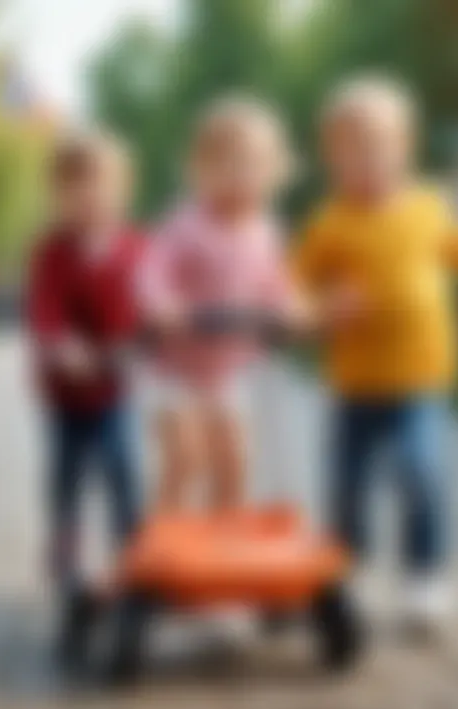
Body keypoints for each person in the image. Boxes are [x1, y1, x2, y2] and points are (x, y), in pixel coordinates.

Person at [294, 76, 458, 631]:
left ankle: (425, 575)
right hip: (355, 382)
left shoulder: (430, 207)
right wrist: (325, 306)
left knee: (420, 470)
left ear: (404, 149)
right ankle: (343, 569)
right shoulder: (329, 224)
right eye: (351, 152)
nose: (366, 163)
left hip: (423, 375)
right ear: (332, 160)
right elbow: (294, 291)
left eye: (378, 149)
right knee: (346, 483)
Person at [138, 95, 299, 514]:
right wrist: (162, 304)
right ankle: (165, 544)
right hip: (174, 368)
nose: (239, 175)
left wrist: (289, 309)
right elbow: (153, 270)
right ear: (199, 170)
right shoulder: (185, 223)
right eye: (225, 163)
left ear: (275, 172)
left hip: (227, 371)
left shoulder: (266, 231)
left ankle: (223, 545)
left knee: (235, 460)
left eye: (253, 164)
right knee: (186, 457)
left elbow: (275, 284)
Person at [26, 133, 144, 671]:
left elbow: (147, 301)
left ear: (121, 192)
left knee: (122, 472)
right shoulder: (52, 252)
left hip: (115, 390)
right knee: (66, 477)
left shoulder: (135, 247)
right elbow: (44, 310)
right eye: (76, 189)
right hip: (67, 394)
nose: (89, 199)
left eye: (101, 187)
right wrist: (58, 344)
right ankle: (68, 563)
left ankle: (132, 565)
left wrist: (136, 337)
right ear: (59, 195)